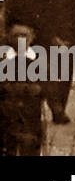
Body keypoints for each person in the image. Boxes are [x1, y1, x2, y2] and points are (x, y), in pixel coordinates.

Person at [0, 24, 45, 155]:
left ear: (31, 38)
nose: (20, 39)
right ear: (8, 38)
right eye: (16, 36)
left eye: (24, 36)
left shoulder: (38, 59)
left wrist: (40, 89)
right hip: (6, 109)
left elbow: (48, 84)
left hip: (30, 109)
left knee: (30, 141)